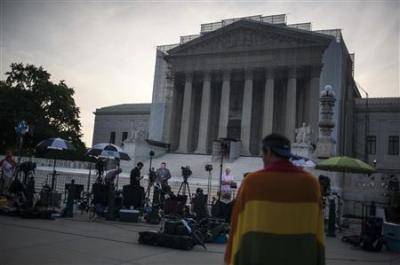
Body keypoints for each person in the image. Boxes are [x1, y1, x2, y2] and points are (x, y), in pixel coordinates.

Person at [225, 133, 325, 265]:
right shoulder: (311, 184)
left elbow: (237, 228)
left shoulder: (252, 182)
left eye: (263, 153)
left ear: (269, 152)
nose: (262, 158)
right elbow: (318, 235)